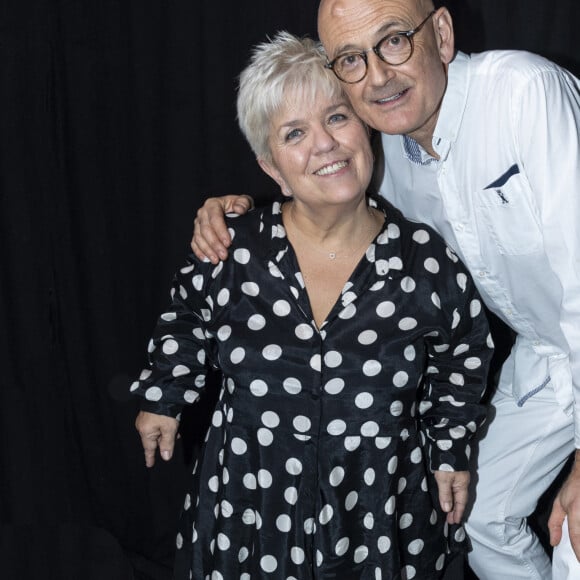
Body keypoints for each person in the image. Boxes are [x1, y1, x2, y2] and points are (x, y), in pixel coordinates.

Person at [190, 1, 580, 579]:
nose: (377, 76)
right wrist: (236, 214)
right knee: (479, 517)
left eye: (394, 41)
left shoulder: (525, 94)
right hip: (549, 354)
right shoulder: (388, 150)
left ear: (441, 34)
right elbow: (326, 208)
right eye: (352, 58)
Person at [132, 31, 493, 580]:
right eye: (295, 132)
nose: (323, 144)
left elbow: (463, 357)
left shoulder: (425, 261)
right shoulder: (231, 248)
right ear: (272, 166)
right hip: (248, 511)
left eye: (337, 117)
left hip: (379, 516)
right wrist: (164, 391)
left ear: (365, 127)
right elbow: (187, 316)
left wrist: (450, 450)